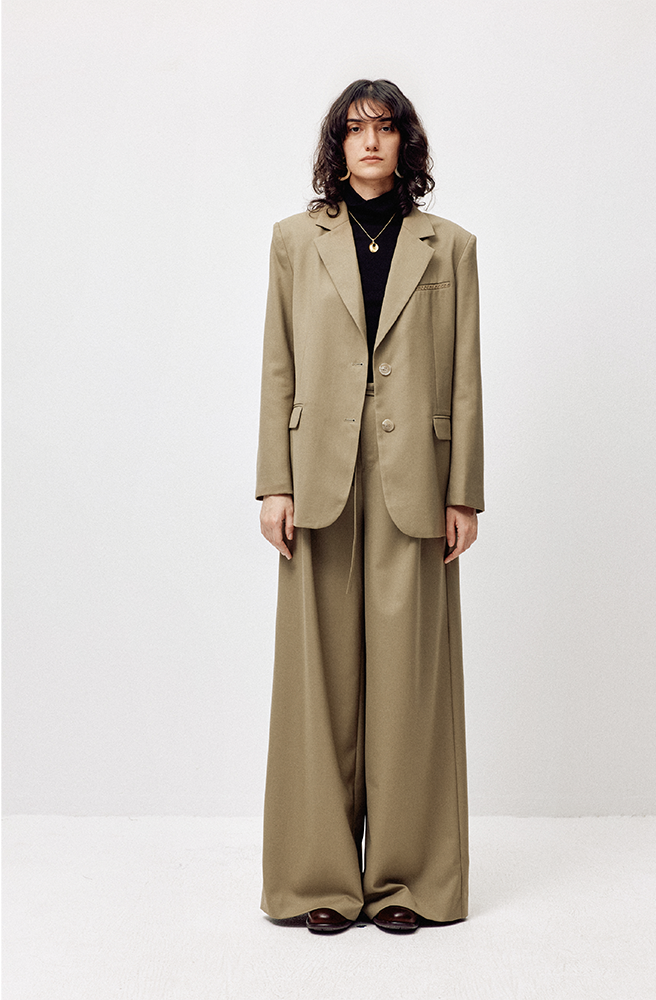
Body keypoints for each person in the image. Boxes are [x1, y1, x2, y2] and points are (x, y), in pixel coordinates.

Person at [256, 79, 484, 934]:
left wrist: (465, 492)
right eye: (355, 130)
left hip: (416, 479)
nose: (371, 142)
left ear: (405, 143)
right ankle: (318, 880)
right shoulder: (294, 240)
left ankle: (408, 882)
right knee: (316, 684)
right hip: (318, 474)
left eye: (385, 128)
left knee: (409, 687)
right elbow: (277, 362)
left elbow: (464, 377)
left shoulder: (450, 246)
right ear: (337, 146)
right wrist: (274, 482)